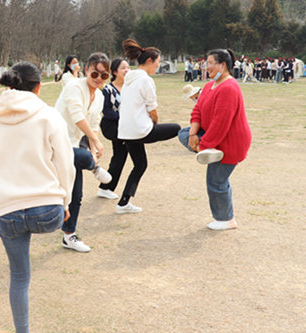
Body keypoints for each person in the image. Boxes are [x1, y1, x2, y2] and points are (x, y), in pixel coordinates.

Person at [0, 62, 75, 333]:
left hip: (8, 213)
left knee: (19, 278)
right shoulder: (48, 115)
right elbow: (65, 163)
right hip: (48, 213)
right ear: (38, 86)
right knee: (80, 160)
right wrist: (66, 203)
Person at [177, 48, 251, 230]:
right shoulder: (210, 86)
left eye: (210, 63)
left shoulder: (229, 87)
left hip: (229, 141)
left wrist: (203, 144)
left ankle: (226, 219)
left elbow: (221, 123)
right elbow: (198, 110)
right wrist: (194, 134)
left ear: (222, 65)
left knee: (216, 181)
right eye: (206, 63)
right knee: (183, 132)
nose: (206, 66)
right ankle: (204, 150)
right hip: (213, 138)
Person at [55, 52, 112, 252]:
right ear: (86, 70)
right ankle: (95, 168)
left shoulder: (100, 96)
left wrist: (95, 146)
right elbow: (77, 115)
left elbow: (94, 123)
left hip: (74, 144)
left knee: (76, 194)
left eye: (104, 76)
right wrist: (94, 144)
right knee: (85, 157)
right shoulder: (74, 86)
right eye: (95, 74)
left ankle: (69, 236)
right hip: (54, 142)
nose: (98, 79)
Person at [116, 39, 181, 214]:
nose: (158, 66)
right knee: (177, 128)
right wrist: (154, 124)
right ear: (150, 61)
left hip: (126, 132)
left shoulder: (128, 79)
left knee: (140, 165)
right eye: (158, 62)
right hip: (140, 130)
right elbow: (153, 109)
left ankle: (123, 203)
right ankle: (196, 144)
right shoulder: (145, 80)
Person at [98, 58, 130, 200]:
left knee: (120, 155)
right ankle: (106, 187)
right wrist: (123, 116)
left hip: (125, 126)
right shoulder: (108, 90)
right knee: (120, 155)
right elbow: (106, 111)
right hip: (112, 126)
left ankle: (106, 187)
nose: (127, 70)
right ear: (115, 71)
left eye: (128, 67)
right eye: (123, 68)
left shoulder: (130, 87)